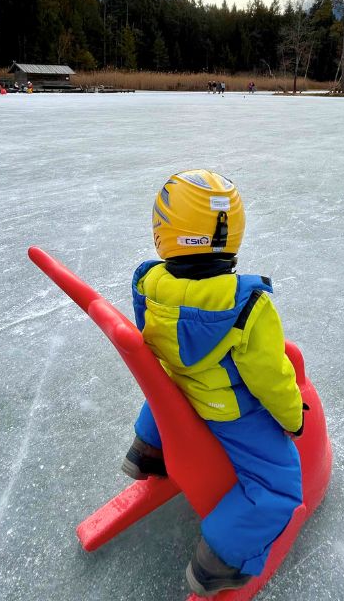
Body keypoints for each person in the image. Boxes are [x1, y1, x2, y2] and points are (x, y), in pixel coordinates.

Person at [123, 170, 305, 596]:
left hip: (179, 390)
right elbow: (272, 379)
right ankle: (218, 561)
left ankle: (148, 449)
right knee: (278, 487)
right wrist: (294, 418)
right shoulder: (249, 307)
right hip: (229, 414)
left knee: (167, 387)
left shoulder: (149, 286)